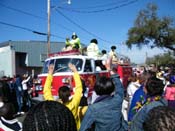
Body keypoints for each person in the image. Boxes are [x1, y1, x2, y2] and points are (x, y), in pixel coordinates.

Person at [80, 61, 128, 131]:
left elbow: (83, 128)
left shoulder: (93, 108)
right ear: (112, 89)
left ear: (96, 91)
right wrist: (110, 70)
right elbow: (119, 88)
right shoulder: (117, 101)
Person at [43, 63, 84, 130]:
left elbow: (46, 91)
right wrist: (75, 71)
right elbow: (79, 88)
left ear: (58, 95)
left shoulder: (54, 106)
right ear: (70, 94)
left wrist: (50, 73)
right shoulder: (74, 104)